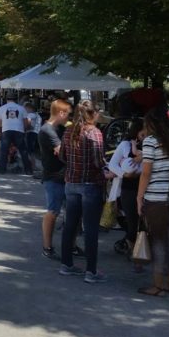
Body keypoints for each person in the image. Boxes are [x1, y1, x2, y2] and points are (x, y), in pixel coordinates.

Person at [59, 100, 111, 284]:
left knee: (70, 225)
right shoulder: (94, 133)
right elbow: (98, 162)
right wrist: (109, 169)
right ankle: (91, 271)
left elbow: (62, 156)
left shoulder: (68, 131)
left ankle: (66, 264)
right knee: (90, 229)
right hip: (90, 184)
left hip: (71, 182)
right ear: (93, 114)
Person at [136, 108, 169, 295]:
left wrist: (139, 197)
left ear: (149, 125)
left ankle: (158, 285)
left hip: (157, 196)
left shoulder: (150, 142)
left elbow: (146, 173)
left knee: (158, 241)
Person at [107, 119, 144, 265]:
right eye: (143, 134)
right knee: (132, 221)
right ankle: (134, 252)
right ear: (136, 132)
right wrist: (125, 174)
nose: (145, 137)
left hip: (145, 188)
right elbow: (112, 164)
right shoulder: (125, 145)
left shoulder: (150, 146)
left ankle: (139, 249)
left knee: (142, 222)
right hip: (128, 189)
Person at [39, 99, 70, 260]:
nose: (68, 118)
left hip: (65, 177)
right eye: (68, 114)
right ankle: (47, 246)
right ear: (61, 113)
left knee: (71, 213)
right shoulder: (47, 130)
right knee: (53, 212)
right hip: (54, 177)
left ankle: (70, 245)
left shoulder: (61, 128)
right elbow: (62, 152)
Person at [0, 94, 30, 174]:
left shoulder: (2, 108)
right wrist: (25, 130)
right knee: (23, 151)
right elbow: (26, 122)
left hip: (6, 130)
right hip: (19, 130)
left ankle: (2, 170)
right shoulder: (21, 108)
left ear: (7, 100)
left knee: (4, 151)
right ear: (16, 100)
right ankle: (28, 170)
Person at [24, 101, 41, 177]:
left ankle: (32, 166)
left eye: (26, 108)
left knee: (29, 150)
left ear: (29, 108)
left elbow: (28, 122)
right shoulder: (38, 116)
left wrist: (26, 127)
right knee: (33, 150)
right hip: (37, 133)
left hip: (31, 132)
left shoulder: (30, 114)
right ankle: (33, 165)